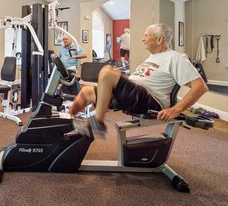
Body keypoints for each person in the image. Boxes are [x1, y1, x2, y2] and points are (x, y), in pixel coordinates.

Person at [68, 24, 208, 138]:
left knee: (107, 71)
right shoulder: (153, 57)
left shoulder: (175, 58)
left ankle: (97, 122)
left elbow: (200, 87)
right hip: (132, 96)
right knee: (86, 91)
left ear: (159, 39)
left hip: (149, 101)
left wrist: (174, 110)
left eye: (146, 35)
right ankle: (65, 127)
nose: (143, 39)